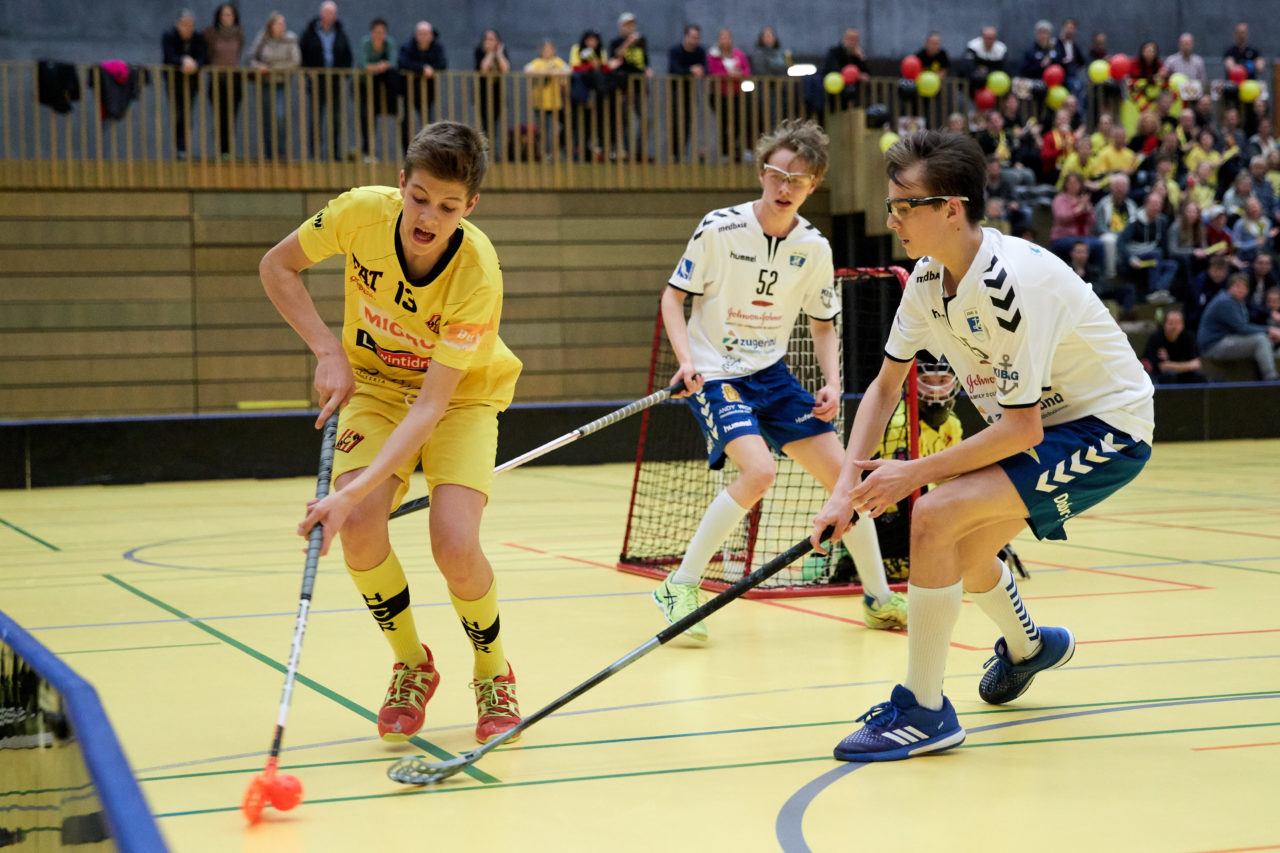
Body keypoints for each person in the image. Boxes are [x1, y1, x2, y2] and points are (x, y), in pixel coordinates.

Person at [811, 129, 1154, 762]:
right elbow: (886, 387)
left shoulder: (1007, 285)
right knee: (959, 546)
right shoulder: (926, 279)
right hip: (1037, 425)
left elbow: (1023, 429)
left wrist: (909, 475)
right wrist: (843, 493)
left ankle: (924, 710)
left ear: (952, 207)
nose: (892, 218)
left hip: (1105, 429)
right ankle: (1031, 648)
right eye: (891, 204)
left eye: (904, 204)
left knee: (936, 514)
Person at [261, 120, 525, 744]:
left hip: (458, 399)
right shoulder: (358, 213)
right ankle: (412, 665)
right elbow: (278, 266)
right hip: (375, 387)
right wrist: (326, 349)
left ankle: (493, 670)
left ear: (471, 207)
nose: (429, 217)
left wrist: (348, 491)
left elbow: (431, 408)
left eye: (449, 207)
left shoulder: (478, 274)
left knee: (454, 546)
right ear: (401, 182)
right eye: (420, 197)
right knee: (358, 529)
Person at [653, 118, 905, 640]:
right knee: (760, 472)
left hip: (771, 374)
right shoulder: (719, 228)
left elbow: (822, 322)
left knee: (846, 482)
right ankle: (680, 585)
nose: (786, 188)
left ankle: (879, 599)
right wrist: (686, 360)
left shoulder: (815, 247)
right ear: (763, 173)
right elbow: (673, 298)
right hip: (717, 374)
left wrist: (833, 382)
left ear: (814, 186)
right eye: (778, 175)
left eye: (800, 180)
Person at [1197, 272, 1280, 379]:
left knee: (1265, 340)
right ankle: (1271, 379)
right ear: (1230, 287)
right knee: (1260, 340)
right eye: (1237, 287)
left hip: (1227, 339)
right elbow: (1241, 328)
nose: (1241, 290)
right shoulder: (1225, 301)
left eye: (1244, 288)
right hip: (1214, 346)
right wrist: (1269, 330)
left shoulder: (1237, 301)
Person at [298, 0, 353, 160]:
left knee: (336, 118)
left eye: (333, 13)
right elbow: (303, 53)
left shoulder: (340, 33)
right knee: (315, 118)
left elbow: (347, 56)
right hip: (316, 82)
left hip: (335, 82)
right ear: (321, 14)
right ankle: (314, 154)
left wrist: (345, 74)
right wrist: (308, 73)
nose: (330, 16)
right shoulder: (310, 32)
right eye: (328, 12)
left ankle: (335, 153)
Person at [246, 11, 299, 160]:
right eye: (278, 23)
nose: (282, 26)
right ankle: (269, 154)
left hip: (281, 83)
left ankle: (281, 151)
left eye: (283, 23)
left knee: (280, 116)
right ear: (271, 25)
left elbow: (294, 62)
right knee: (266, 118)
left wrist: (273, 67)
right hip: (265, 82)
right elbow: (251, 57)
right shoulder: (263, 38)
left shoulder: (290, 39)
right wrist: (259, 66)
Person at [161, 9, 208, 161]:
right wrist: (183, 60)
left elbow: (204, 57)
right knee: (178, 113)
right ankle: (179, 148)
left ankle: (183, 148)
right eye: (185, 24)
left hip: (191, 82)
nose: (188, 28)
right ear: (178, 24)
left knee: (187, 114)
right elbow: (168, 57)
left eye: (191, 25)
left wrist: (194, 64)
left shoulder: (198, 37)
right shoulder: (169, 36)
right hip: (174, 81)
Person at [1119, 191, 1180, 303]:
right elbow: (1121, 243)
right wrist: (1131, 259)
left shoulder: (1162, 221)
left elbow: (1164, 245)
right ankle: (1154, 291)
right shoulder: (1134, 221)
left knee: (1172, 265)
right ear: (1146, 205)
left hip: (1153, 259)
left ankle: (1160, 290)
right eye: (1153, 204)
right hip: (1136, 258)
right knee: (1157, 253)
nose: (1156, 208)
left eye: (1159, 205)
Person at [608, 12, 654, 160]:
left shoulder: (641, 42)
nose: (630, 27)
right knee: (625, 120)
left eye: (632, 24)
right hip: (623, 86)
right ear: (621, 26)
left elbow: (645, 61)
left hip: (639, 86)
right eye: (627, 24)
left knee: (647, 119)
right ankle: (627, 152)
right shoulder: (616, 42)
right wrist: (628, 42)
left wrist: (648, 69)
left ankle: (638, 151)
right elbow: (615, 57)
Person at [398, 22, 447, 151]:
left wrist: (432, 69)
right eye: (420, 34)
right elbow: (402, 62)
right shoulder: (408, 46)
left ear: (431, 35)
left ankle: (428, 151)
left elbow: (442, 64)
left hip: (428, 91)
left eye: (426, 34)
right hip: (409, 90)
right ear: (415, 35)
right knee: (407, 122)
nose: (423, 37)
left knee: (429, 122)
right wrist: (421, 69)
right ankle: (407, 152)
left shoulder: (437, 47)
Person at [205, 3, 244, 160]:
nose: (226, 18)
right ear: (218, 17)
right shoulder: (211, 33)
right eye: (224, 15)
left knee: (231, 115)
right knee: (220, 115)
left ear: (234, 17)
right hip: (217, 79)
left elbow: (239, 52)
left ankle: (228, 149)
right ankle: (222, 149)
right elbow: (207, 53)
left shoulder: (239, 33)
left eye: (229, 15)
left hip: (234, 78)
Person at [357, 17, 398, 161]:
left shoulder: (389, 43)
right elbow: (363, 65)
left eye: (382, 33)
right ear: (371, 33)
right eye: (376, 32)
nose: (379, 36)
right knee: (366, 117)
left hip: (381, 87)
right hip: (364, 86)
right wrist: (380, 66)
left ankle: (394, 106)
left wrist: (376, 67)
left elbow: (393, 63)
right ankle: (367, 151)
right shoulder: (365, 43)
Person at [707, 29, 751, 163]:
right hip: (720, 94)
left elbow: (747, 70)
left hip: (737, 94)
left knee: (739, 122)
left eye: (727, 37)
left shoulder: (738, 54)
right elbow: (711, 71)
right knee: (724, 123)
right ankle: (725, 153)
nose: (725, 40)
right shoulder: (713, 55)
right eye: (722, 37)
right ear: (718, 39)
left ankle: (737, 150)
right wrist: (728, 75)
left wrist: (739, 75)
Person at [667, 25, 707, 163]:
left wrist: (700, 71)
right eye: (692, 37)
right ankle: (675, 154)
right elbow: (675, 69)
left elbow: (706, 68)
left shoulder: (700, 51)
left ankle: (685, 153)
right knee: (676, 122)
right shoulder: (675, 50)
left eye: (697, 38)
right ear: (686, 36)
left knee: (688, 122)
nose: (694, 41)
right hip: (675, 92)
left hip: (692, 92)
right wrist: (691, 70)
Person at [524, 39, 570, 161]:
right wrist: (546, 72)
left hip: (556, 103)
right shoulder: (537, 62)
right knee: (543, 130)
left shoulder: (558, 62)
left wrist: (556, 72)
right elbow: (527, 70)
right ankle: (544, 153)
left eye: (550, 50)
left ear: (554, 51)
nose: (548, 52)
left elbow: (568, 70)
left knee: (559, 128)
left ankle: (558, 153)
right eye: (545, 50)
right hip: (540, 102)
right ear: (541, 51)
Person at [569, 30, 608, 161]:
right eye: (589, 40)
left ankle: (597, 150)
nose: (592, 43)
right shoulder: (577, 49)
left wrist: (599, 66)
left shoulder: (601, 52)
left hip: (596, 94)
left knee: (595, 123)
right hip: (580, 94)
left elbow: (605, 68)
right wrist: (591, 65)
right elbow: (574, 68)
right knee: (578, 123)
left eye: (594, 40)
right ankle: (578, 150)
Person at [1143, 309, 1205, 383]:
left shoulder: (1189, 337)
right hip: (1158, 376)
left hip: (1184, 375)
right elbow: (1163, 367)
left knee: (1199, 376)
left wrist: (1171, 365)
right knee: (1169, 375)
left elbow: (1197, 364)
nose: (1174, 327)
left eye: (1177, 323)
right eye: (1170, 323)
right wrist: (1187, 365)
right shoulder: (1156, 338)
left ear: (1182, 325)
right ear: (1164, 325)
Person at [473, 29, 511, 151]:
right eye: (487, 39)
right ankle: (486, 151)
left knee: (494, 123)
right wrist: (489, 53)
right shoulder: (479, 51)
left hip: (497, 92)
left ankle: (493, 150)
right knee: (485, 123)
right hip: (483, 92)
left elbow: (505, 69)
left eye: (493, 39)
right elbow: (483, 69)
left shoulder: (502, 51)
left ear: (498, 41)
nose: (490, 42)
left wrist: (499, 53)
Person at [822, 28, 867, 108]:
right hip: (832, 94)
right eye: (850, 39)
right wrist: (856, 75)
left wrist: (861, 59)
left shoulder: (857, 55)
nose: (852, 42)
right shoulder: (834, 51)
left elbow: (866, 73)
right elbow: (833, 69)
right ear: (844, 39)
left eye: (854, 40)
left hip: (853, 95)